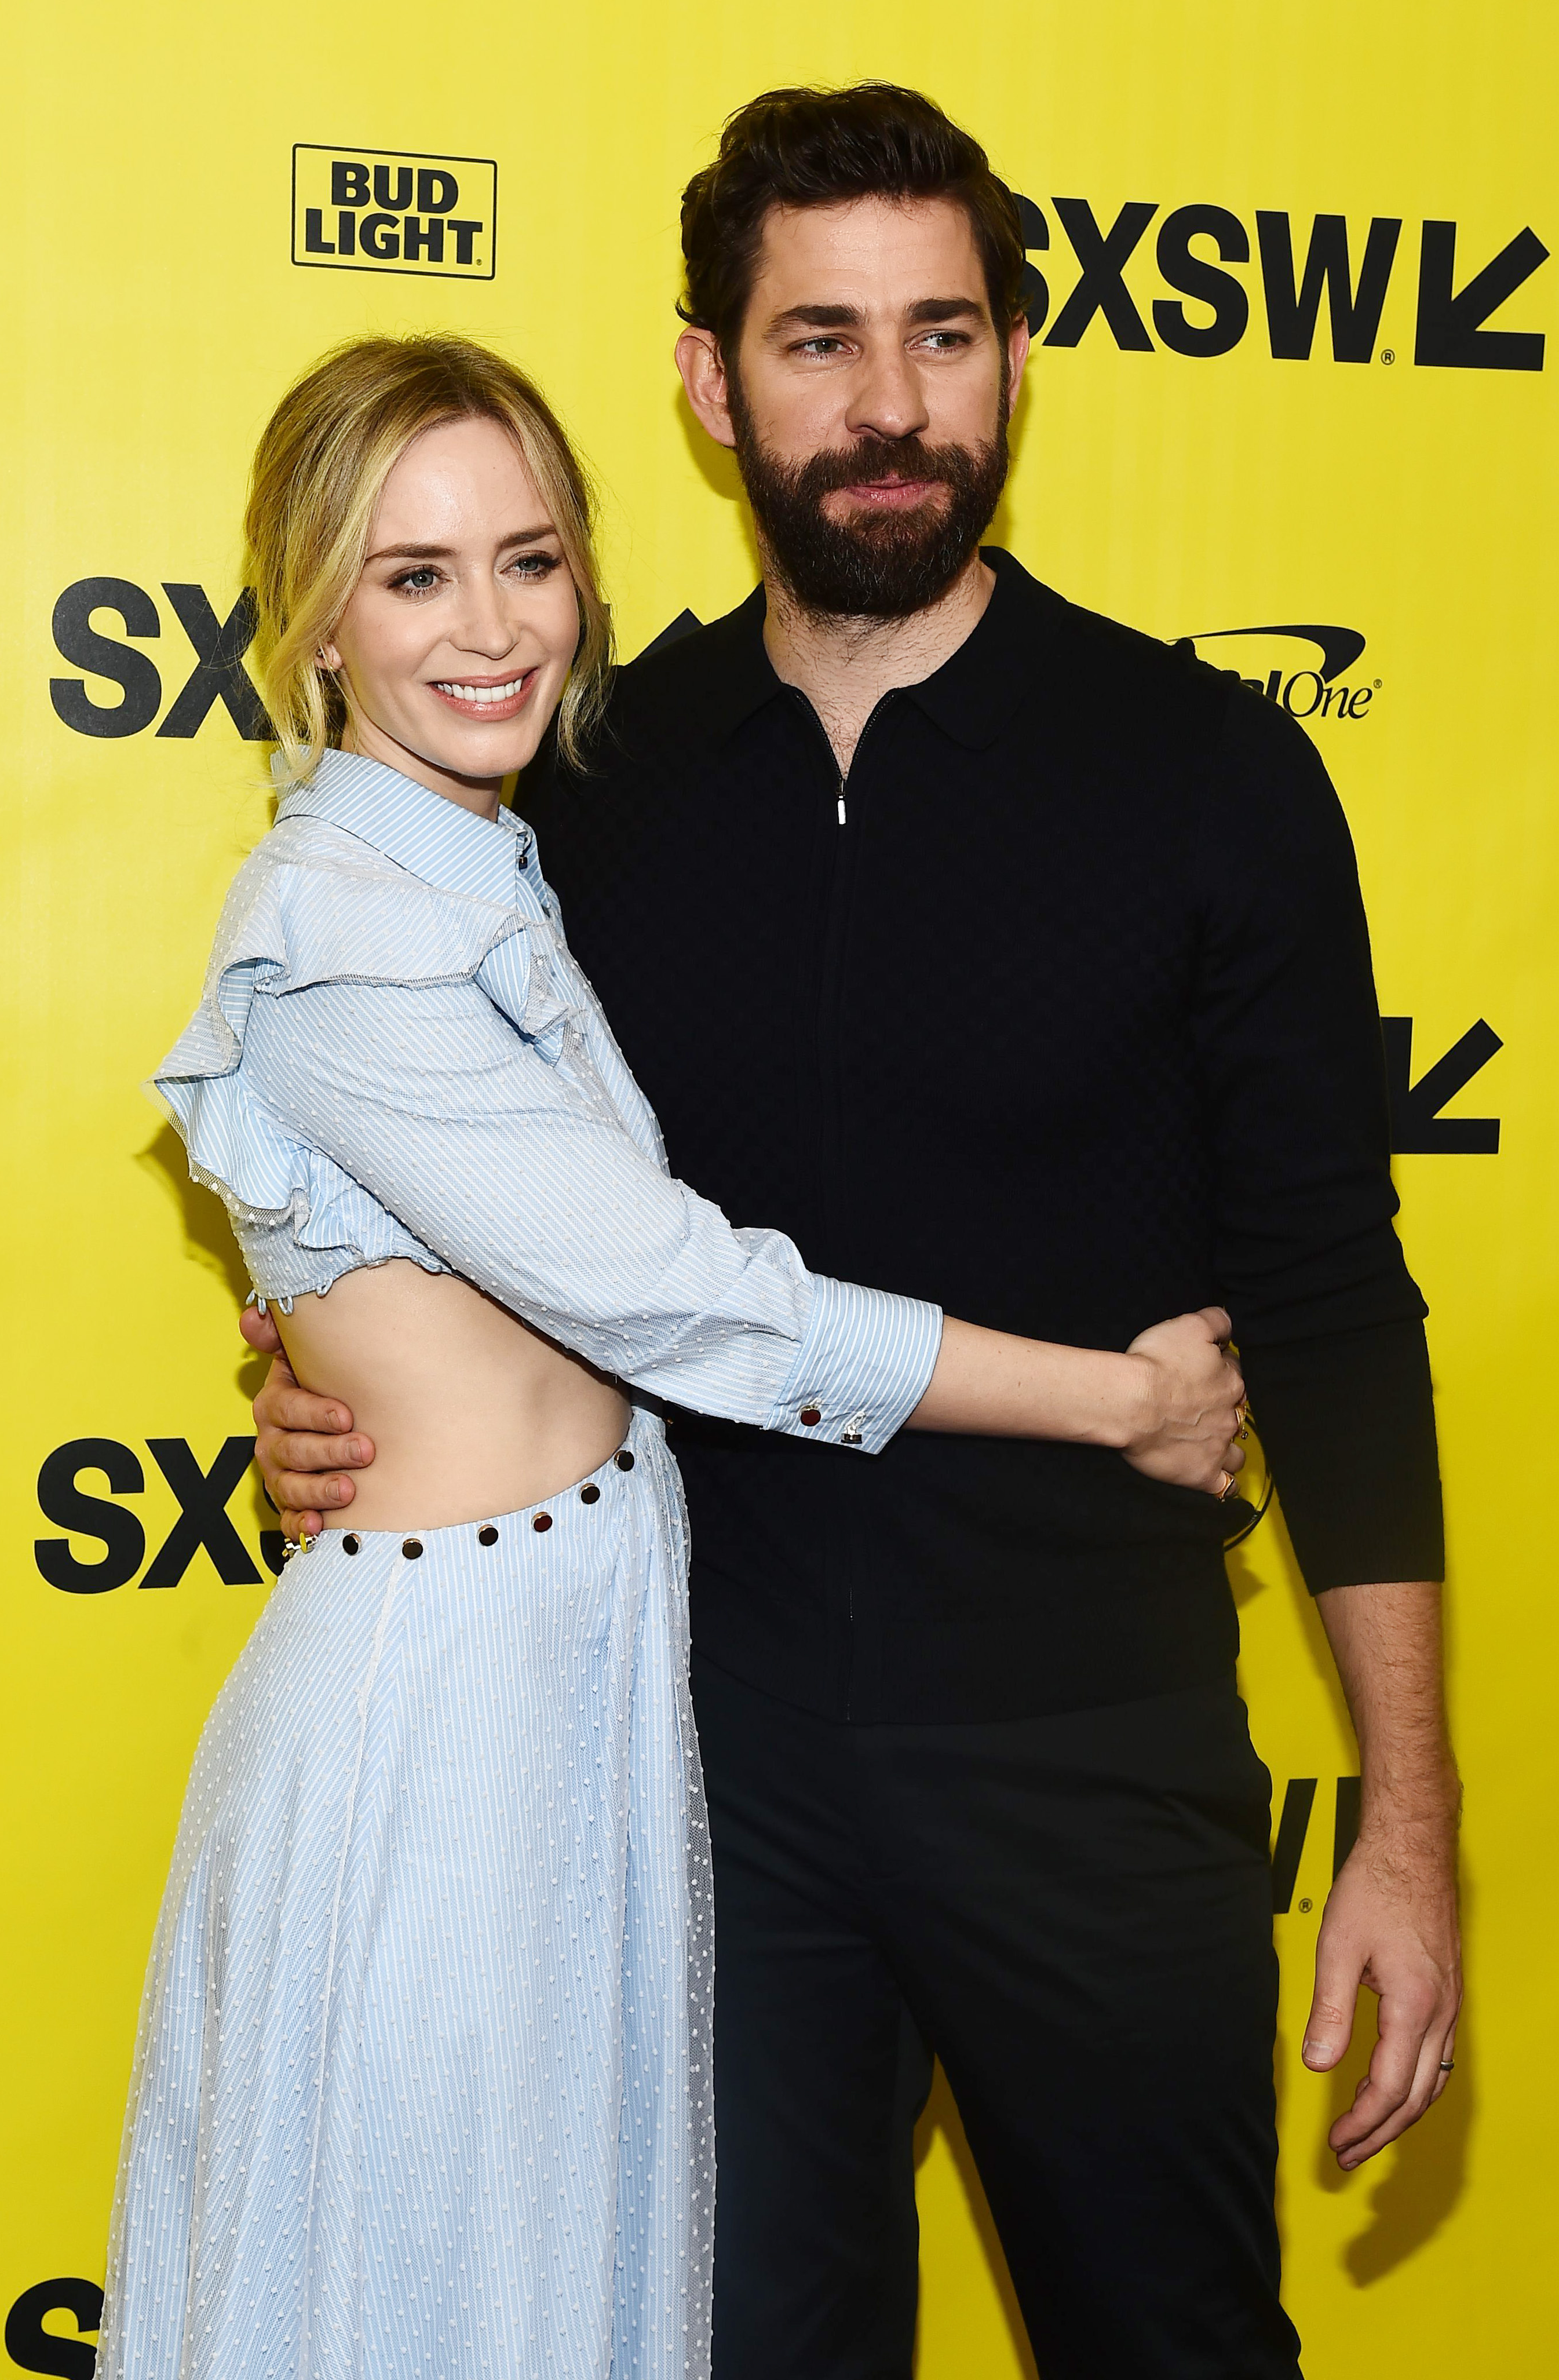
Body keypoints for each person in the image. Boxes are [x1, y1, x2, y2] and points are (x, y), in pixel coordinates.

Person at [254, 86, 1465, 2380]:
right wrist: (318, 1380)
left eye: (943, 333)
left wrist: (1407, 1821)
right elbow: (454, 1190)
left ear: (1015, 358)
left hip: (1096, 1751)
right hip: (692, 1763)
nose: (890, 405)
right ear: (712, 385)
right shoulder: (577, 788)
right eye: (819, 340)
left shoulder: (1206, 770)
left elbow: (1332, 1303)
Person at [100, 330, 1246, 2380]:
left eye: (530, 559)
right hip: (449, 1713)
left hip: (590, 1670)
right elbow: (685, 1297)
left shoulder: (499, 859)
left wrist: (320, 1335)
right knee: (439, 2303)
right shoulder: (342, 931)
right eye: (415, 573)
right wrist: (1121, 1398)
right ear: (315, 615)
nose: (491, 627)